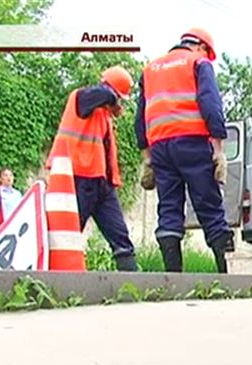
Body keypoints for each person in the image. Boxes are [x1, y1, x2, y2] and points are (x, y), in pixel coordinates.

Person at [135, 27, 234, 273]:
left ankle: (173, 279)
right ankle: (230, 275)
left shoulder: (150, 70)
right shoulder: (198, 62)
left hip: (159, 147)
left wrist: (146, 156)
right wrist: (218, 147)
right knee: (209, 206)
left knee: (168, 208)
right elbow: (211, 104)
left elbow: (140, 117)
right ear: (201, 47)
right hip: (192, 142)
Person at [45, 66, 138, 272]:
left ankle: (133, 283)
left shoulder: (102, 115)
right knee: (65, 235)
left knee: (120, 238)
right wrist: (113, 99)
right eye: (120, 98)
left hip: (101, 185)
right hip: (76, 180)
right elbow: (102, 93)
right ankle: (53, 281)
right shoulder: (80, 99)